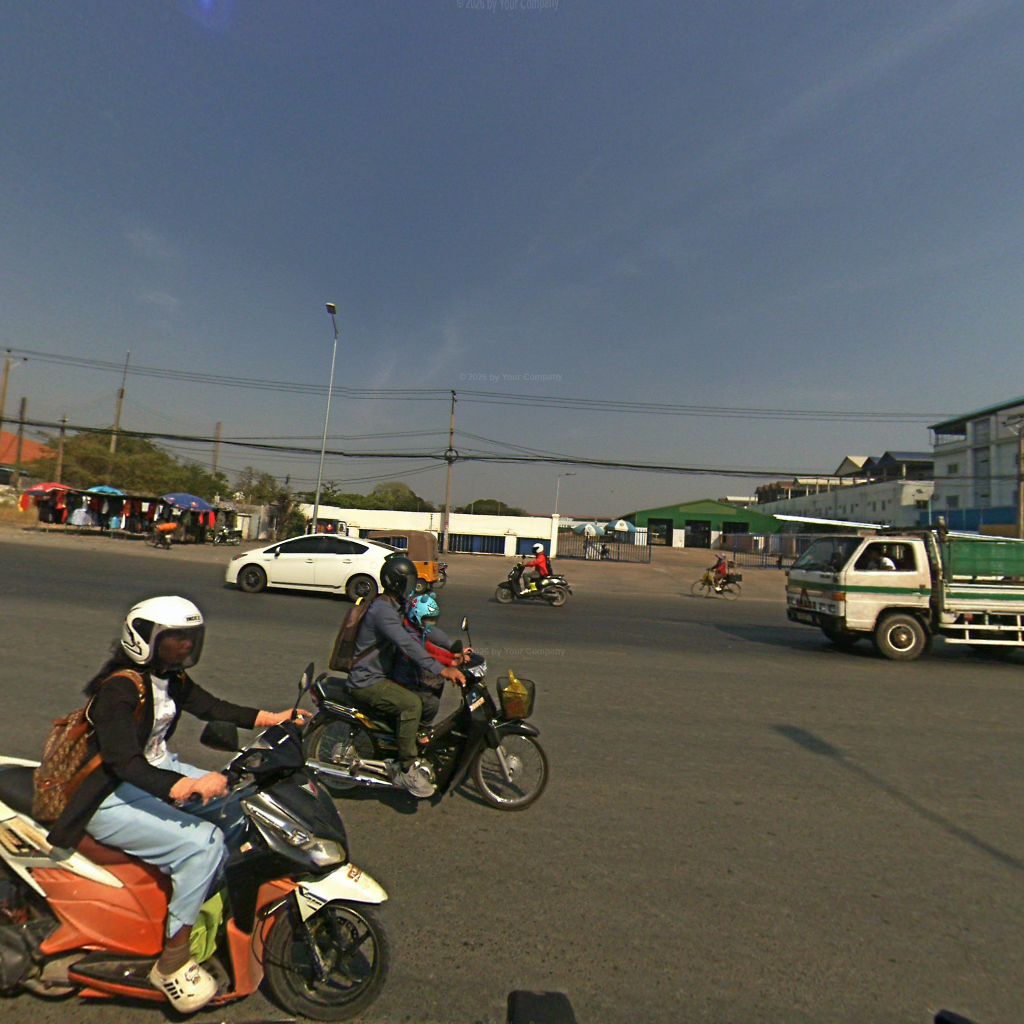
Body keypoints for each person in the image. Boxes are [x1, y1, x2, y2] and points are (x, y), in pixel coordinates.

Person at [45, 596, 309, 1015]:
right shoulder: (119, 690)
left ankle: (203, 904)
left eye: (190, 637)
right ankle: (171, 962)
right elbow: (124, 763)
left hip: (155, 772)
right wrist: (184, 786)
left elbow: (211, 706)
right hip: (109, 796)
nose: (185, 645)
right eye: (175, 638)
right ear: (145, 639)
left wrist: (269, 719)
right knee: (203, 844)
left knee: (236, 808)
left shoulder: (169, 678)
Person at [346, 556, 466, 797]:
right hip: (368, 680)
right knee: (411, 704)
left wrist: (452, 646)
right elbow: (407, 644)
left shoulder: (397, 604)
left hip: (384, 674)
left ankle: (408, 742)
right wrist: (442, 669)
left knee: (428, 699)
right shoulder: (383, 611)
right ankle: (406, 768)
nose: (412, 586)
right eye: (408, 581)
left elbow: (424, 628)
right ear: (396, 582)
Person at [392, 592, 470, 729]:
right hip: (405, 680)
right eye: (427, 619)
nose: (431, 622)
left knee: (438, 682)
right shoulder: (408, 635)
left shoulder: (414, 629)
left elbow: (428, 648)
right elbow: (423, 656)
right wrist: (449, 663)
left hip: (413, 674)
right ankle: (421, 730)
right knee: (431, 704)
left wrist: (452, 657)